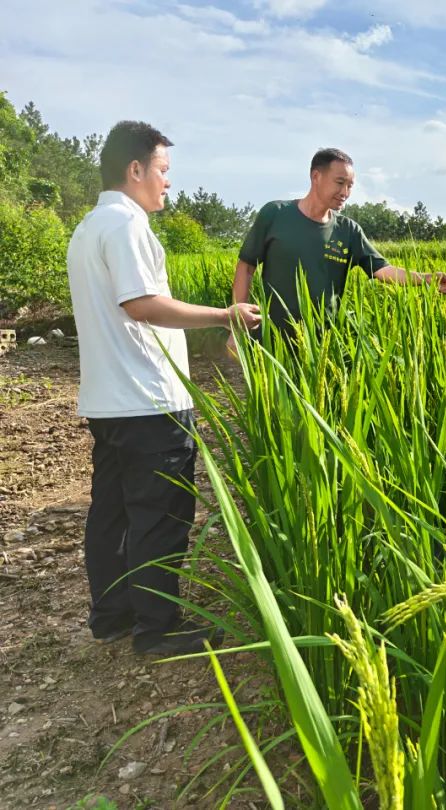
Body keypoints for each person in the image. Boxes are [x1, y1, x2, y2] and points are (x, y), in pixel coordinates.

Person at [66, 120, 261, 656]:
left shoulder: (89, 226)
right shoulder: (126, 227)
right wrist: (226, 315)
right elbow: (141, 304)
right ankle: (159, 630)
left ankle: (112, 615)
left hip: (110, 401)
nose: (168, 183)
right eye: (163, 171)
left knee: (113, 513)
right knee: (160, 515)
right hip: (148, 401)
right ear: (135, 170)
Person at [227, 148, 446, 349]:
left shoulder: (348, 231)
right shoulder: (275, 214)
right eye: (340, 183)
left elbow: (382, 270)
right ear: (316, 176)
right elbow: (246, 267)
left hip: (323, 344)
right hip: (270, 340)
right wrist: (236, 326)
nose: (345, 193)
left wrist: (427, 279)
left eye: (350, 185)